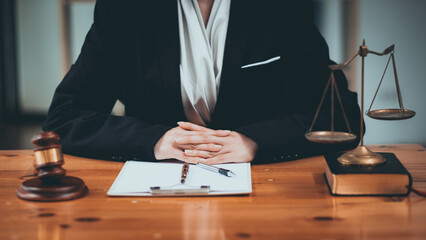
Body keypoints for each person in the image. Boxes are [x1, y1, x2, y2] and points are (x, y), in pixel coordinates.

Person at [43, 0, 361, 164]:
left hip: (264, 188)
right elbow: (65, 118)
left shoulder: (282, 7)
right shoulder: (126, 8)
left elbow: (342, 119)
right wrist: (154, 140)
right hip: (152, 192)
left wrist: (255, 141)